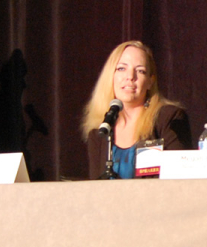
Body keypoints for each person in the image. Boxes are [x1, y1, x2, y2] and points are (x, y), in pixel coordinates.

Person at [82, 40, 192, 178]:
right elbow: (95, 188)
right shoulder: (101, 130)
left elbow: (180, 180)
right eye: (122, 68)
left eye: (140, 71)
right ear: (111, 76)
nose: (130, 77)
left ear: (150, 81)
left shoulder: (168, 119)